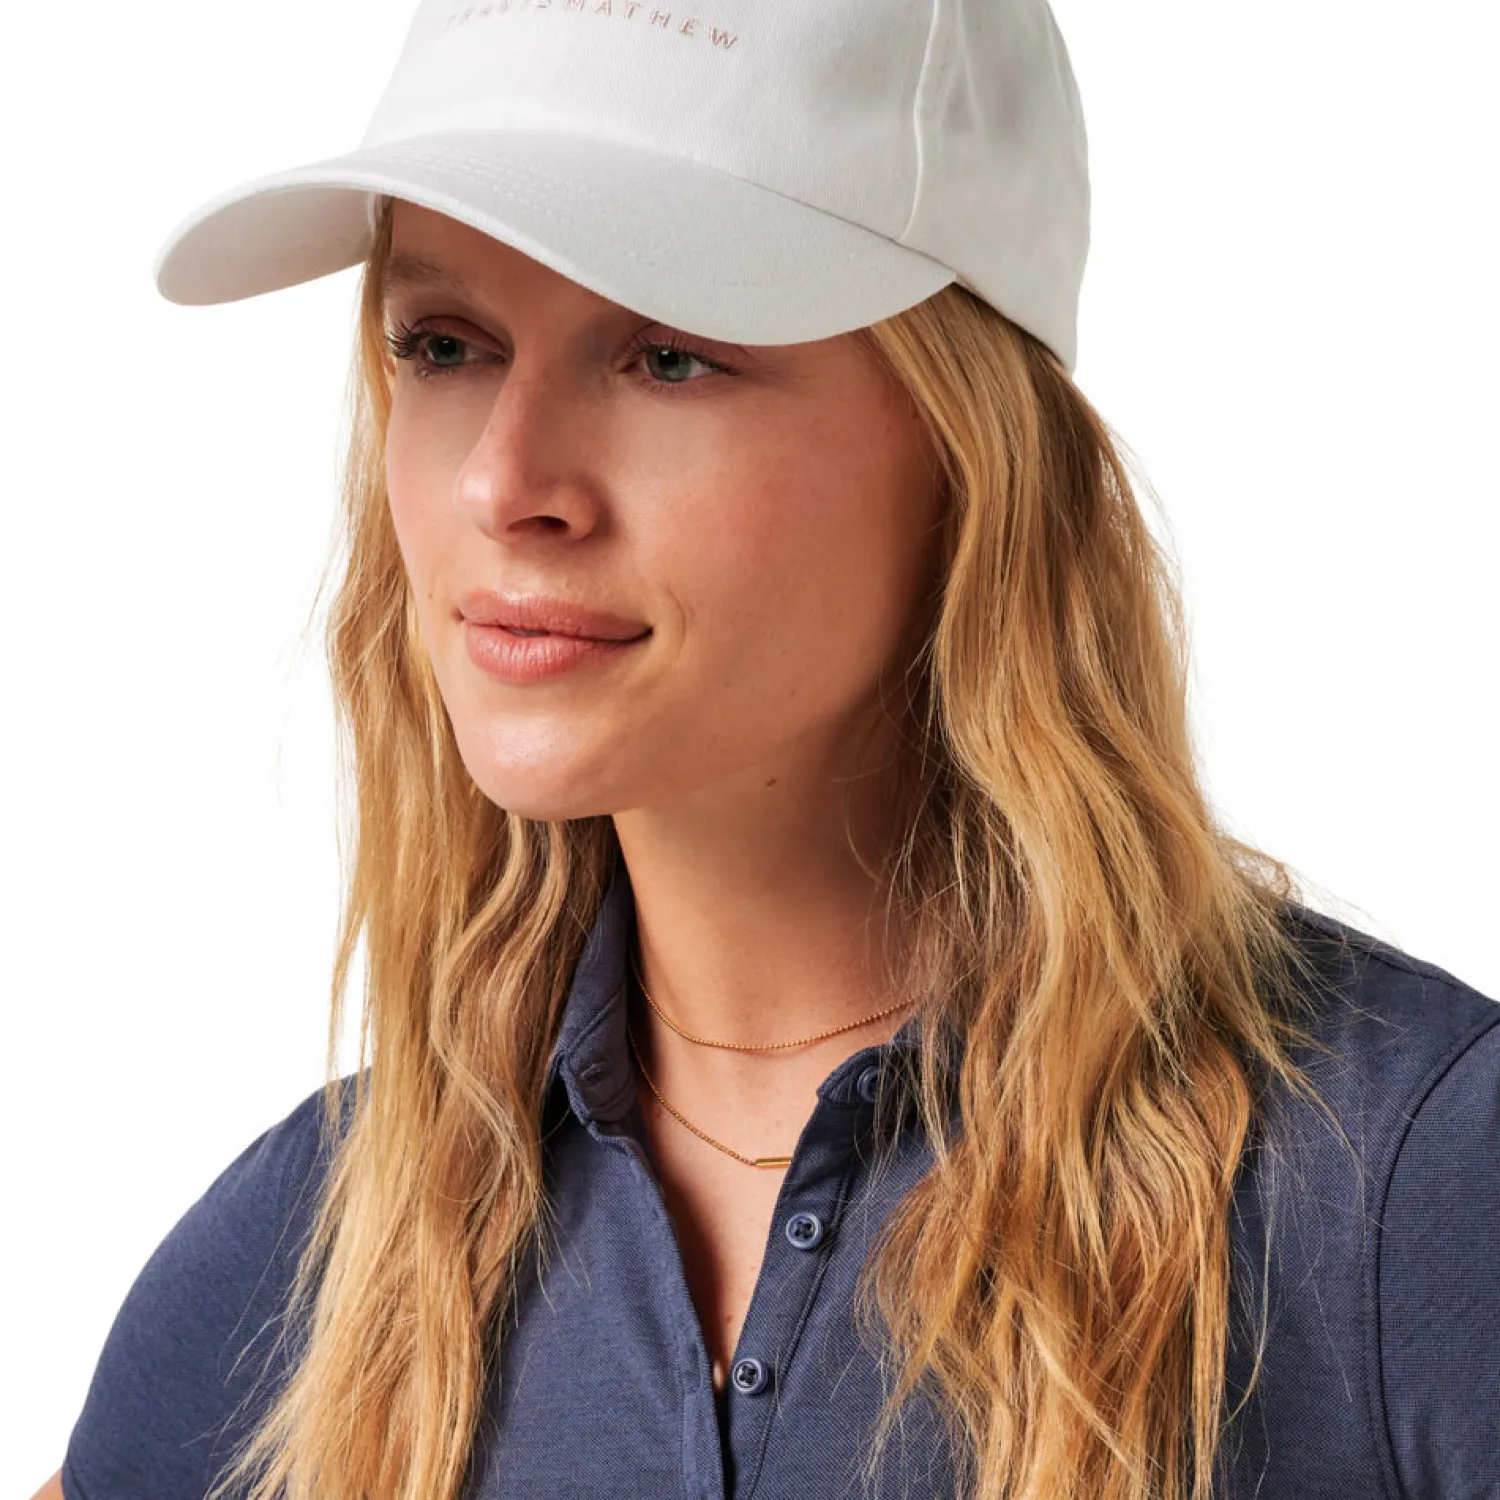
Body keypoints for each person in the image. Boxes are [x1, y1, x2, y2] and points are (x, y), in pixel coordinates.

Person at [35, 2, 1500, 1499]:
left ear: (972, 450)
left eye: (669, 356)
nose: (502, 480)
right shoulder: (305, 1264)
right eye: (446, 345)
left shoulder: (1412, 1196)